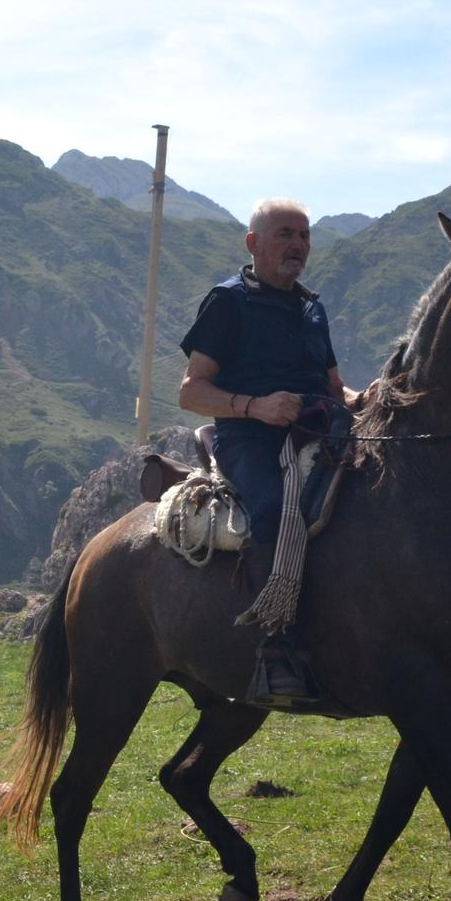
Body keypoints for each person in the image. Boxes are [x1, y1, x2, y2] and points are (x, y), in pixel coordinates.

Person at [176, 199, 359, 709]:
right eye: (284, 234)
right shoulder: (228, 302)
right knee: (277, 511)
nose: (297, 245)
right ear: (253, 243)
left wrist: (369, 399)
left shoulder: (310, 306)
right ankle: (275, 645)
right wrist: (256, 406)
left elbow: (334, 386)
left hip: (320, 432)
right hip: (250, 438)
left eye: (304, 236)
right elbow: (191, 391)